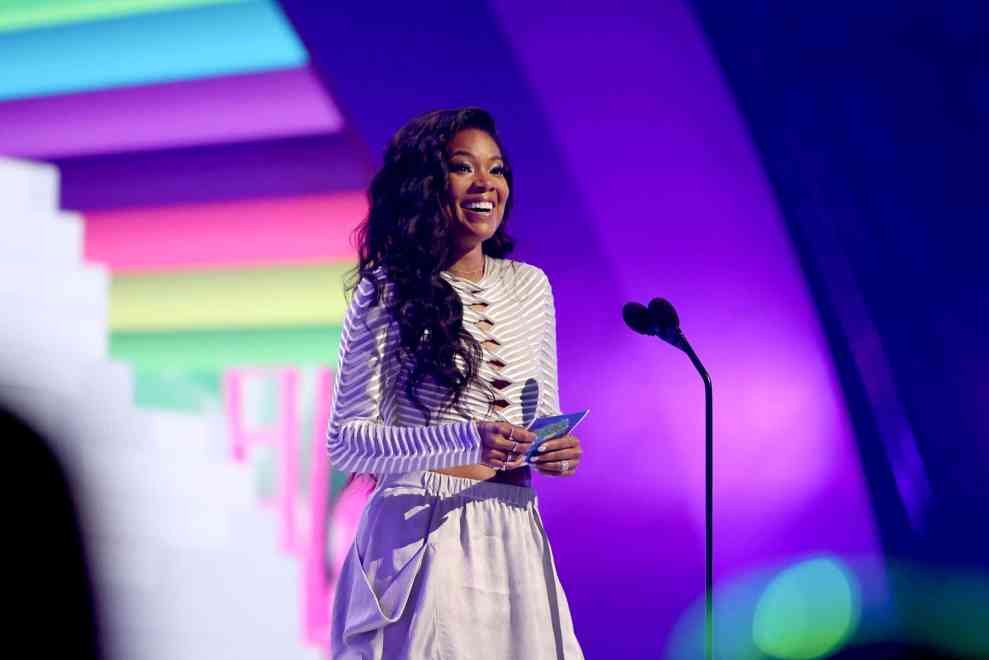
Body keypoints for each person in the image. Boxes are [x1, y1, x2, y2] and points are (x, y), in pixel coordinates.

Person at [326, 107, 585, 659]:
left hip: (514, 528)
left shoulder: (531, 288)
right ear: (427, 185)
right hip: (424, 532)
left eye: (498, 170)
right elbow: (345, 439)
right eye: (463, 167)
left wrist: (554, 451)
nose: (486, 183)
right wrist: (467, 438)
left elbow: (541, 415)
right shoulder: (386, 290)